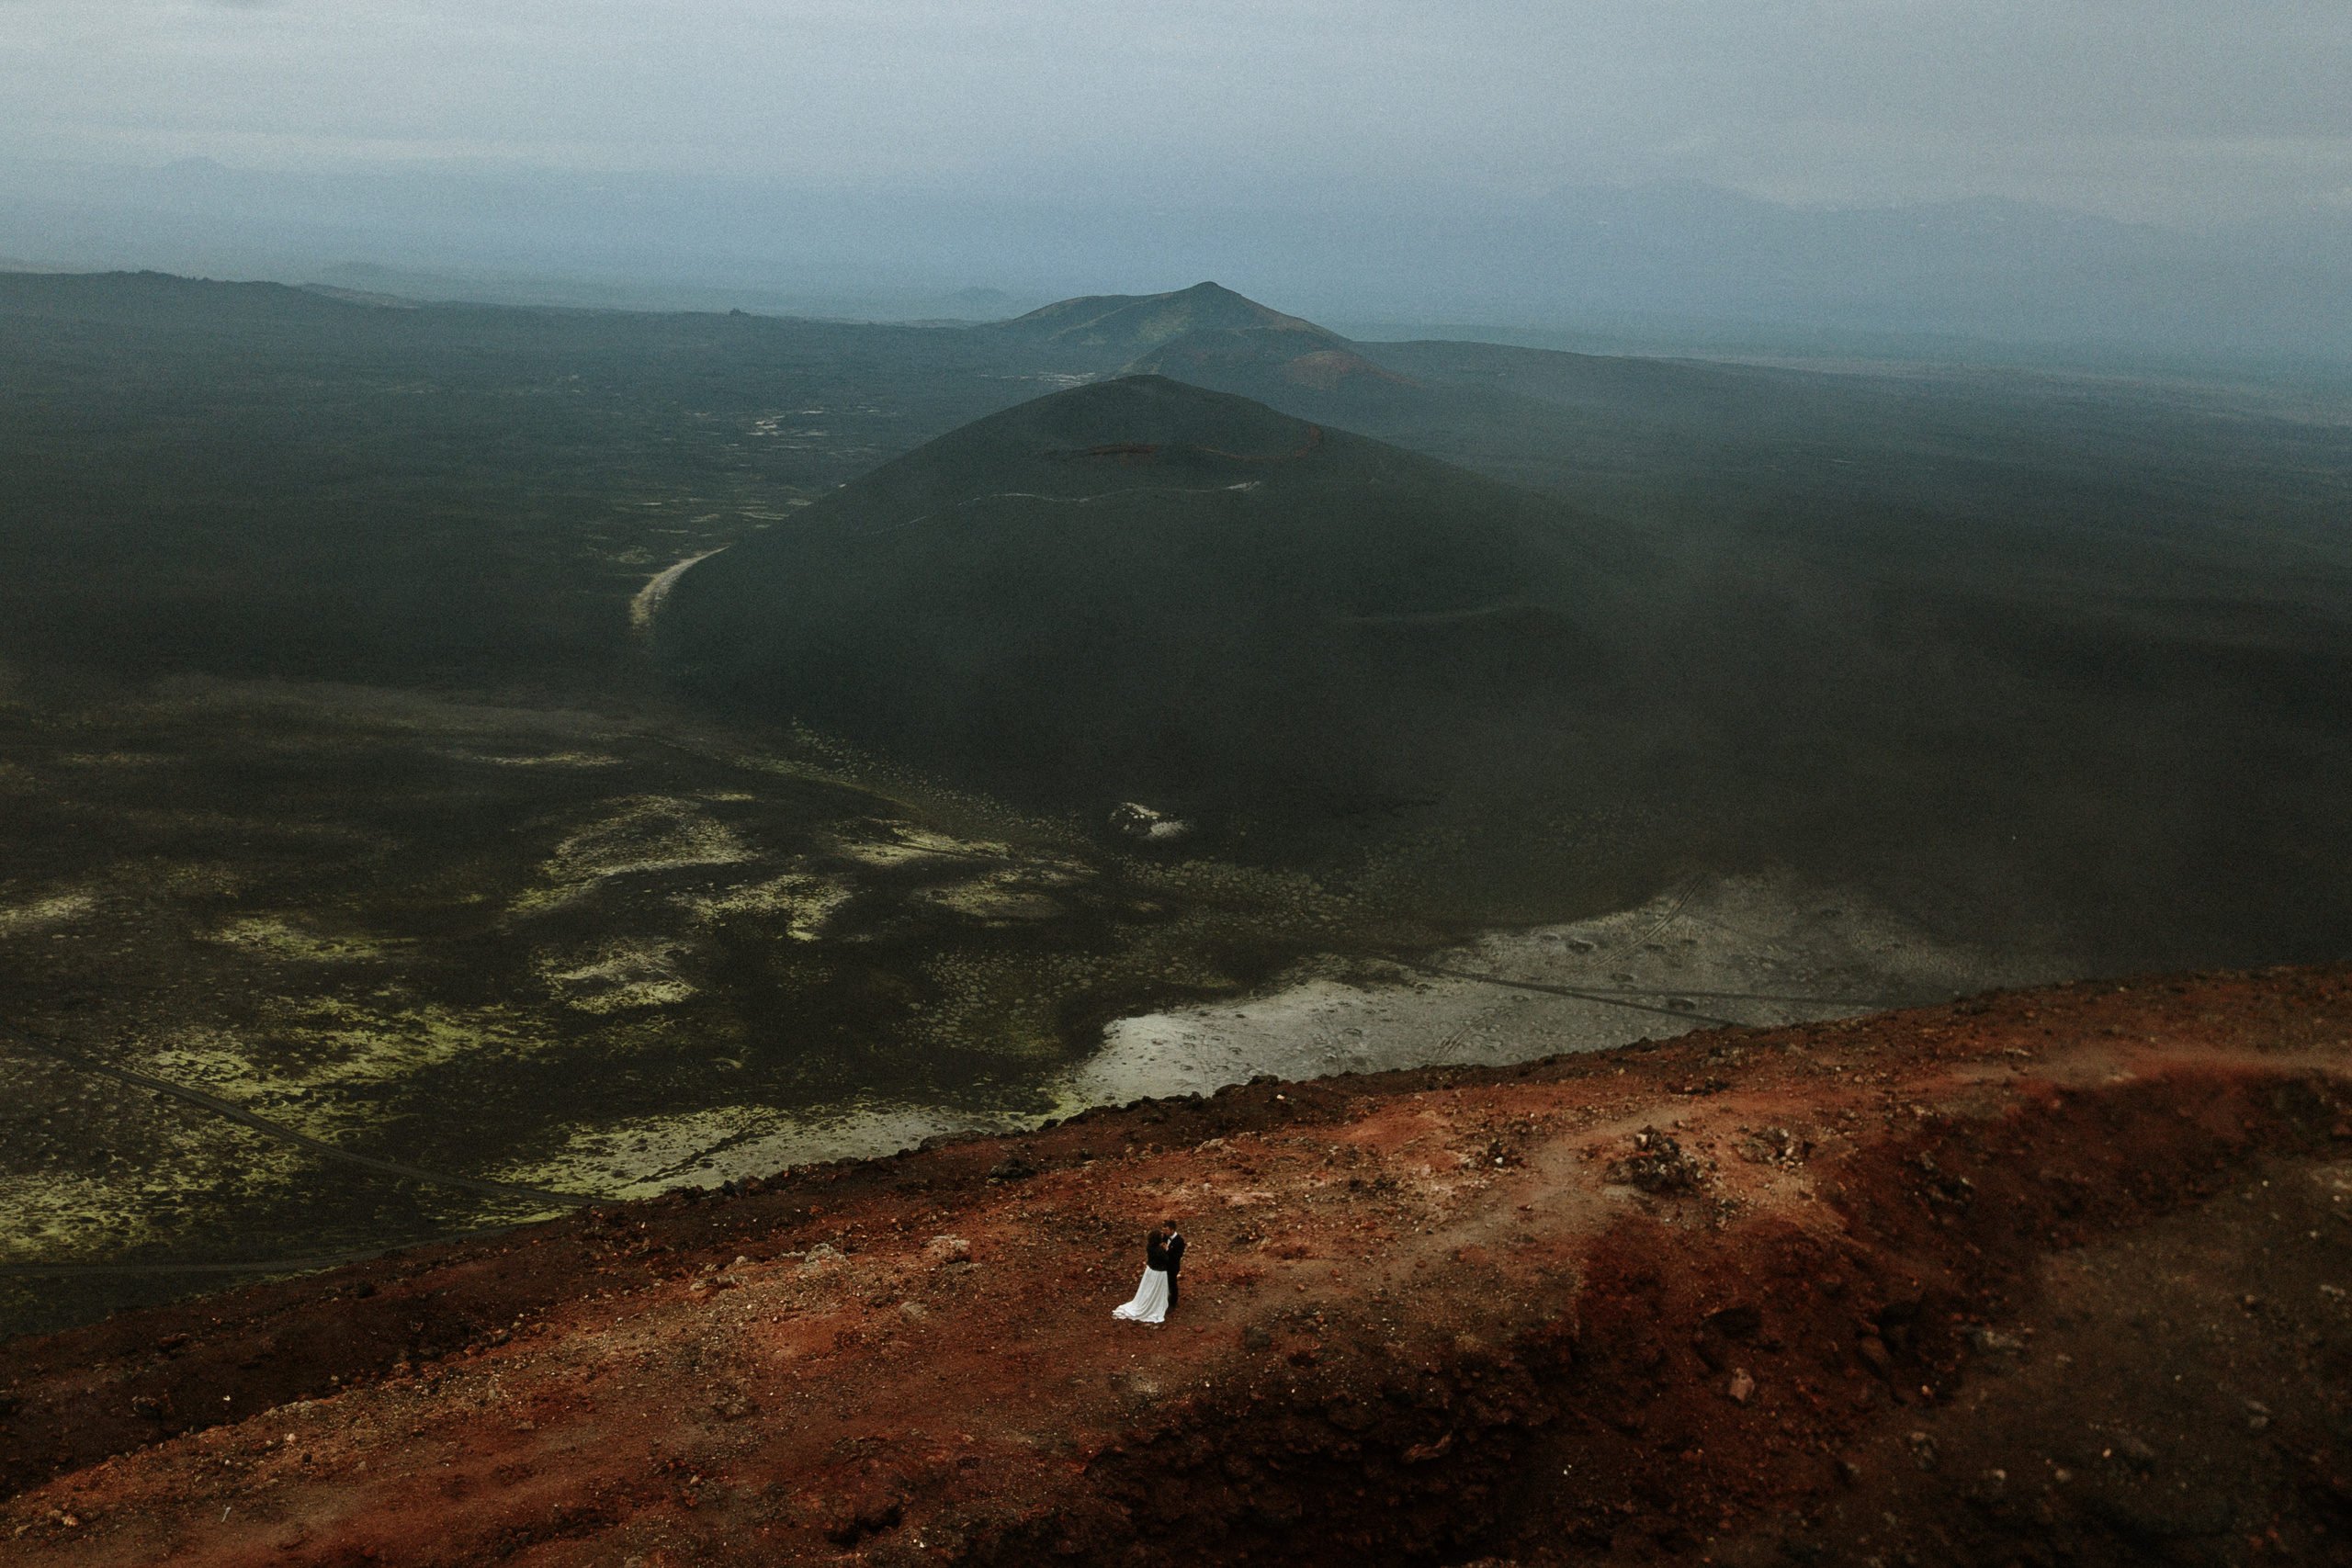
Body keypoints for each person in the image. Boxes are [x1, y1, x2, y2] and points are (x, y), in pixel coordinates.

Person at [1111, 1222, 1174, 1325]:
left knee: (1148, 1289)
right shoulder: (1159, 1250)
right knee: (1156, 1291)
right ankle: (1155, 1306)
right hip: (1159, 1274)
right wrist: (1166, 1250)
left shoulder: (1149, 1247)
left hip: (1150, 1271)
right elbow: (1167, 1259)